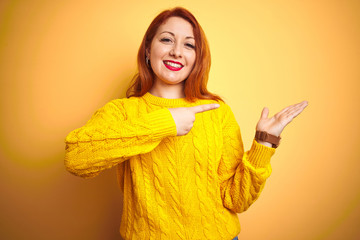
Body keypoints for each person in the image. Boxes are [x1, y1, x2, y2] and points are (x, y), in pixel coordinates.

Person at [64, 7, 308, 240]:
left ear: (196, 58)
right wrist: (166, 122)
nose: (177, 52)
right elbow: (75, 159)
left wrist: (263, 144)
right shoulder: (123, 111)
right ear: (148, 50)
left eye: (189, 45)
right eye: (167, 40)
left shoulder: (217, 112)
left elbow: (236, 200)